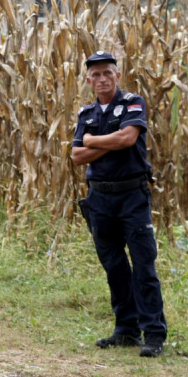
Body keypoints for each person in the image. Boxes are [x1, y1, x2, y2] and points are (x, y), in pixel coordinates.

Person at [71, 51, 167, 358]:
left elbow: (127, 139)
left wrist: (92, 141)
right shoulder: (86, 114)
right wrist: (102, 143)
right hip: (100, 197)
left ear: (117, 75)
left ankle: (153, 333)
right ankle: (126, 330)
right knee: (114, 266)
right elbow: (76, 157)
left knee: (143, 265)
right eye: (96, 75)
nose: (102, 79)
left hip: (132, 197)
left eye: (107, 73)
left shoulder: (132, 103)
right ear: (88, 80)